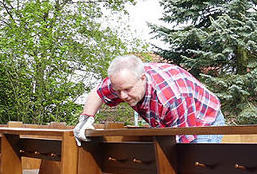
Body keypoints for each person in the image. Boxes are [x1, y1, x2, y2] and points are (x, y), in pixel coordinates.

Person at [74, 55, 224, 144]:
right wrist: (85, 120)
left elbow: (183, 141)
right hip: (171, 119)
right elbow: (98, 92)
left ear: (143, 78)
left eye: (127, 89)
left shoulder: (170, 98)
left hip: (203, 119)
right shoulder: (123, 80)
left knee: (195, 172)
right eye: (118, 91)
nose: (123, 96)